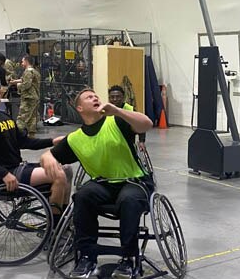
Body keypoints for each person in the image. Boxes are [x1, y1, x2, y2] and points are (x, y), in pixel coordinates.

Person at [40, 88, 154, 279]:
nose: (95, 97)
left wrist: (117, 110)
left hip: (133, 180)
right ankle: (86, 256)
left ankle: (128, 258)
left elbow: (147, 125)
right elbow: (50, 154)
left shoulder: (115, 121)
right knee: (83, 195)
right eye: (88, 97)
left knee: (129, 199)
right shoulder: (75, 138)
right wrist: (46, 156)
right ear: (79, 108)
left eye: (95, 96)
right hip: (104, 184)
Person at [0, 80, 71, 227]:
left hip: (17, 168)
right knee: (59, 175)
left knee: (66, 169)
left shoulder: (4, 116)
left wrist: (52, 141)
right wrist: (3, 173)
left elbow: (24, 142)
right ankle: (55, 229)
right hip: (4, 176)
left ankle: (62, 219)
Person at [10, 54, 40, 138]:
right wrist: (15, 81)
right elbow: (25, 80)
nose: (21, 63)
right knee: (32, 118)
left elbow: (26, 84)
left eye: (22, 61)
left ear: (26, 61)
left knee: (22, 117)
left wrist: (18, 85)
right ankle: (31, 135)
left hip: (28, 98)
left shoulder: (28, 71)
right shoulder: (35, 71)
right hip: (35, 97)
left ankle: (15, 135)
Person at [109, 85, 146, 150]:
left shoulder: (130, 110)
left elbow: (141, 126)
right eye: (112, 97)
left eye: (118, 97)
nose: (115, 99)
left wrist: (141, 141)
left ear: (123, 97)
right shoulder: (106, 111)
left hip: (128, 145)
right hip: (111, 146)